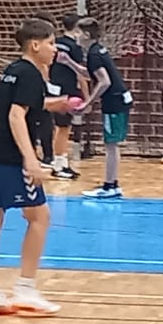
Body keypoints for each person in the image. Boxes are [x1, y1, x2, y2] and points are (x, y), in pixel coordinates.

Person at [0, 16, 61, 316]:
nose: (55, 49)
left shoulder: (13, 70)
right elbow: (15, 115)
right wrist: (30, 159)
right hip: (7, 157)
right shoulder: (31, 74)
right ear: (35, 45)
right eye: (51, 43)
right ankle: (26, 289)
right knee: (39, 216)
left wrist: (52, 104)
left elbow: (20, 106)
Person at [80, 17, 132, 200]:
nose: (76, 36)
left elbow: (104, 81)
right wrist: (68, 63)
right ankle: (112, 184)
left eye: (79, 33)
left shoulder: (94, 54)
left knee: (111, 145)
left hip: (114, 101)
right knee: (111, 144)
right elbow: (93, 75)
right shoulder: (98, 50)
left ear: (86, 34)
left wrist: (88, 102)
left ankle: (110, 186)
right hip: (119, 99)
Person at [47, 15, 91, 178]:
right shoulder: (74, 47)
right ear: (77, 28)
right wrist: (88, 98)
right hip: (67, 90)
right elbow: (80, 74)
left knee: (60, 127)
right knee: (64, 128)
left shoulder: (54, 43)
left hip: (53, 89)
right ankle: (59, 165)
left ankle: (61, 162)